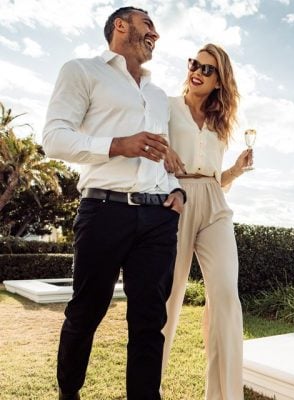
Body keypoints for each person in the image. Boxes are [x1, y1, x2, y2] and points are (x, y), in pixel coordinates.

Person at [42, 6, 186, 400]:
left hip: (158, 216)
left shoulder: (157, 96)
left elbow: (163, 155)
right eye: (149, 24)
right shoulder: (82, 70)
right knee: (86, 312)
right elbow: (53, 138)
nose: (155, 33)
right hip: (104, 210)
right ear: (121, 26)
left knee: (149, 321)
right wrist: (117, 145)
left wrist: (177, 192)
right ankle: (68, 393)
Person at [162, 44, 251, 400]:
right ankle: (148, 388)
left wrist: (236, 170)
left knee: (226, 296)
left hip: (215, 203)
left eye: (208, 69)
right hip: (175, 198)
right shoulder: (166, 107)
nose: (197, 71)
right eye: (194, 63)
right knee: (167, 297)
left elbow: (215, 177)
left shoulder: (219, 122)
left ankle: (224, 396)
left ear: (219, 81)